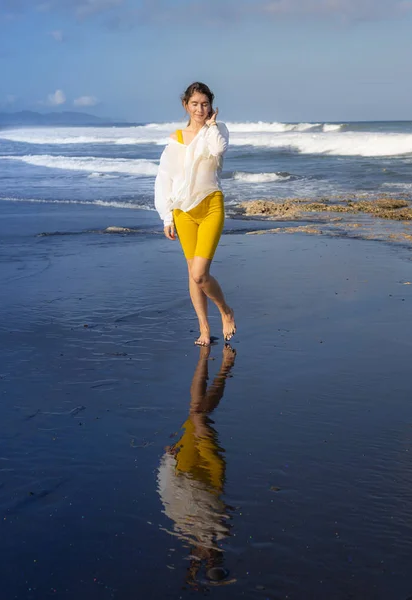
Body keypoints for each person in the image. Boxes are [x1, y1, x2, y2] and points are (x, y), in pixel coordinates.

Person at [154, 82, 236, 347]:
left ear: (211, 105)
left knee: (201, 274)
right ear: (185, 105)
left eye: (205, 104)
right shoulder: (176, 138)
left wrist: (211, 125)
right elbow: (164, 178)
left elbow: (218, 151)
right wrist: (167, 216)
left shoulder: (217, 130)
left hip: (211, 203)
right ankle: (203, 328)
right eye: (195, 104)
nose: (200, 109)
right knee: (192, 273)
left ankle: (225, 310)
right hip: (182, 210)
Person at [157, 344, 237, 589]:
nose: (210, 555)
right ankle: (219, 364)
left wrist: (168, 462)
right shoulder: (222, 534)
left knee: (197, 413)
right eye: (215, 557)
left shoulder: (183, 532)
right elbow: (223, 516)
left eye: (208, 559)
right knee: (199, 415)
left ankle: (218, 363)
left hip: (185, 469)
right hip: (212, 477)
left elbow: (170, 497)